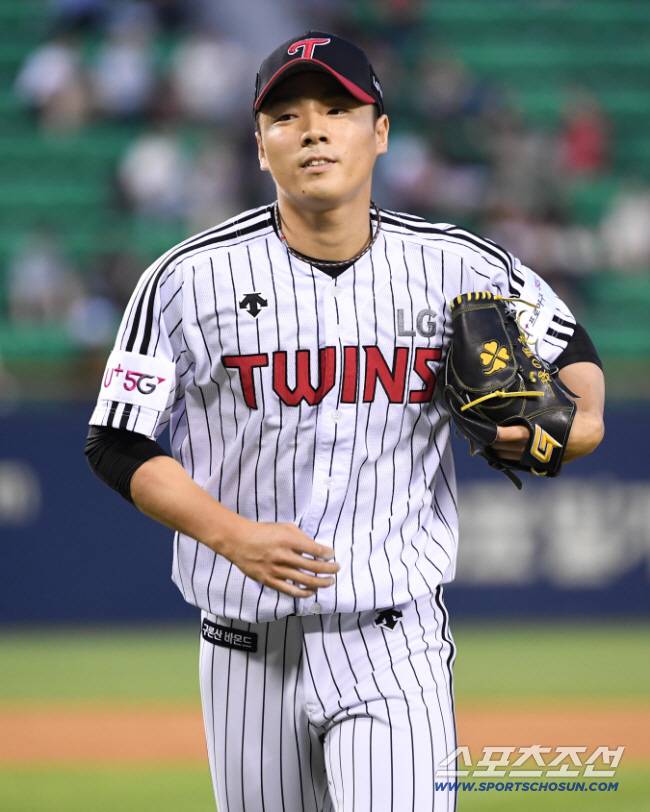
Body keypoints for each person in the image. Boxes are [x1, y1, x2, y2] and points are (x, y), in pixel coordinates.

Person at [85, 31, 605, 811]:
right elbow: (116, 440)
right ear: (260, 145)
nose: (314, 131)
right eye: (286, 116)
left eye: (337, 109)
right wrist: (232, 535)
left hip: (393, 643)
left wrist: (576, 426)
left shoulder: (458, 265)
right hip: (243, 646)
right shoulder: (186, 281)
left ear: (380, 132)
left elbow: (573, 357)